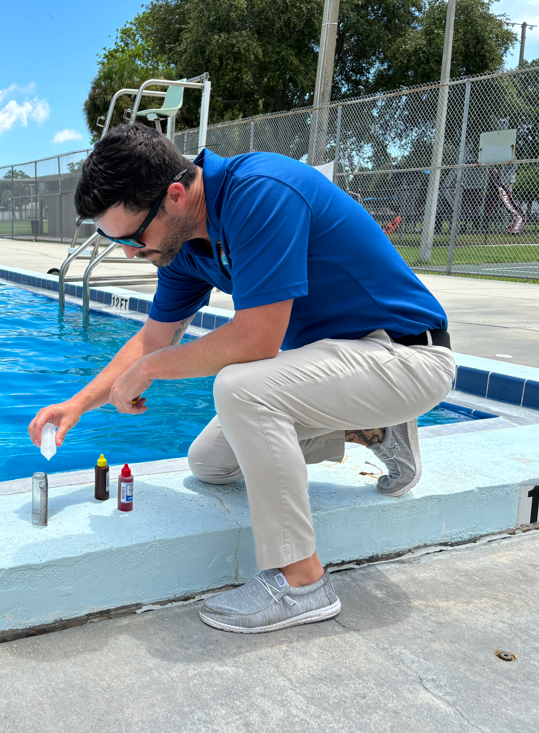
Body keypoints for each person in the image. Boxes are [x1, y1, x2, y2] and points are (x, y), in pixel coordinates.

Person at [28, 125, 454, 634]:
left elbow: (257, 341)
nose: (128, 254)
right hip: (345, 369)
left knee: (239, 388)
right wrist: (78, 404)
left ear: (176, 195)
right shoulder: (184, 247)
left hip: (407, 357)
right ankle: (375, 430)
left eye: (133, 237)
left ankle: (302, 583)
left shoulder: (262, 190)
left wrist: (151, 370)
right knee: (209, 462)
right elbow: (151, 339)